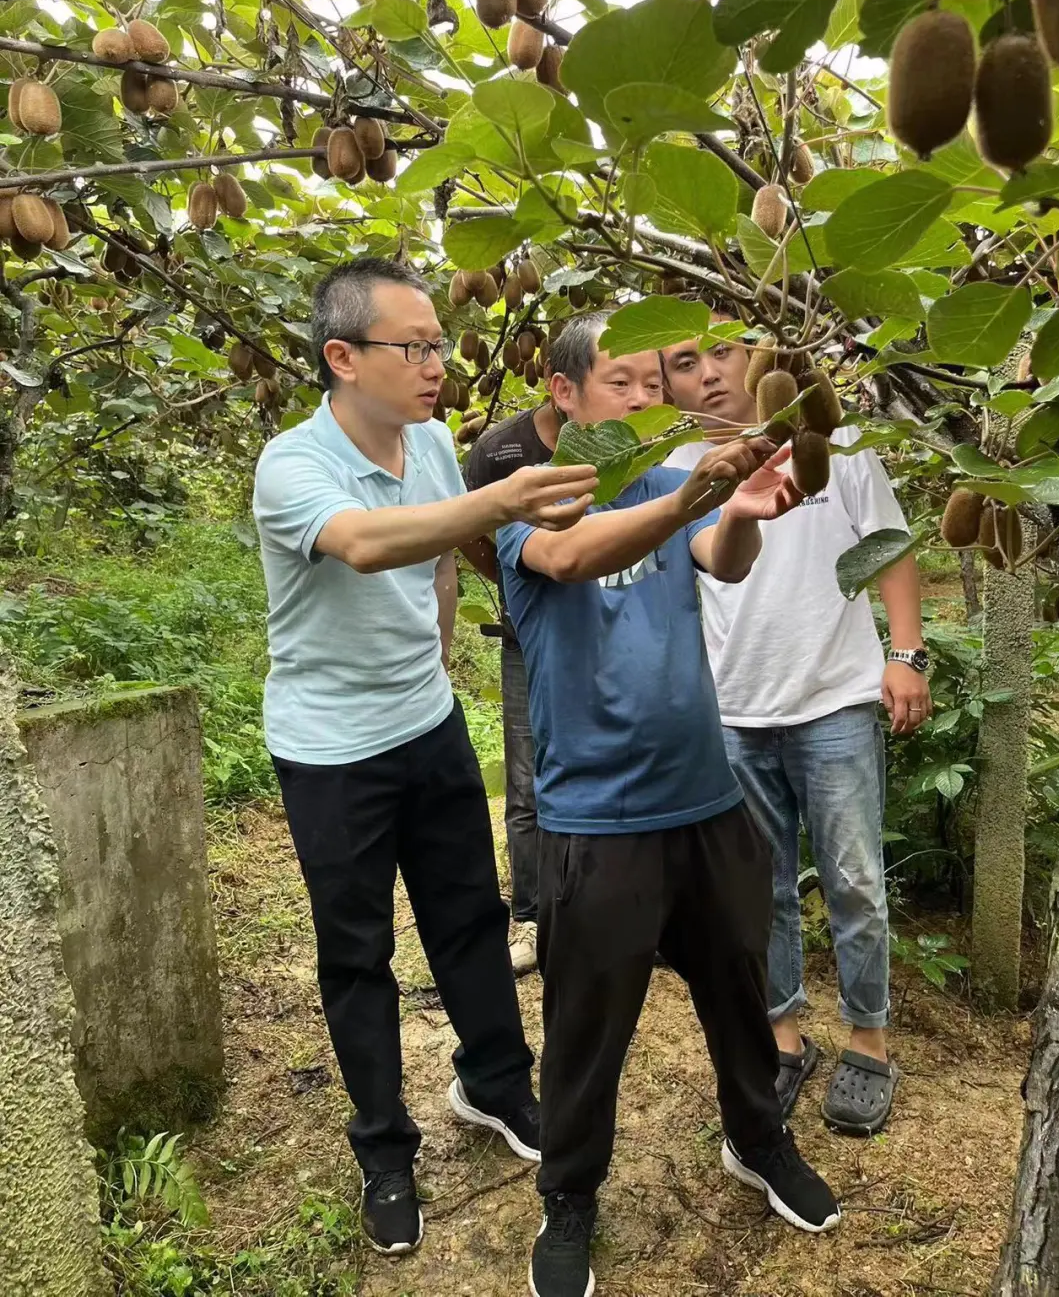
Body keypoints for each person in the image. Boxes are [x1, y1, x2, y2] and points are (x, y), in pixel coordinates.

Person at [252, 257, 598, 1257]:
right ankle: (384, 1151)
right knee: (357, 952)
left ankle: (496, 1084)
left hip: (426, 722)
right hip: (328, 749)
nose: (438, 362)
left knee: (470, 915)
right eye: (417, 347)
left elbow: (438, 563)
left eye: (441, 344)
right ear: (343, 359)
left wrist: (440, 648)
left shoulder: (433, 445)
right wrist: (503, 504)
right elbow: (365, 544)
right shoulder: (293, 466)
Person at [497, 314, 841, 1297]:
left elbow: (719, 563)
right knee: (586, 1027)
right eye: (623, 383)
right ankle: (570, 1195)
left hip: (704, 801)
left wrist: (740, 511)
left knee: (741, 985)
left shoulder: (668, 482)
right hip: (595, 823)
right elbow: (572, 561)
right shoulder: (527, 498)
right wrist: (699, 488)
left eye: (656, 382)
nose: (648, 400)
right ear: (565, 394)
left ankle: (757, 1141)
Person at [662, 324, 932, 1137]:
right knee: (759, 889)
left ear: (758, 358)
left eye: (722, 353)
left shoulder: (834, 443)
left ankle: (870, 1042)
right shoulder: (674, 475)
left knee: (853, 880)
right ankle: (782, 1035)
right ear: (666, 383)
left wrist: (906, 653)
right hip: (734, 708)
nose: (708, 374)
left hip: (836, 698)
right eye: (683, 362)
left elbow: (892, 546)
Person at [460, 398, 560, 977]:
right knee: (526, 782)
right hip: (525, 636)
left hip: (599, 632)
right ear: (561, 387)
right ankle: (530, 916)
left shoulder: (627, 438)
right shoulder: (501, 449)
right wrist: (507, 574)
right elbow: (467, 523)